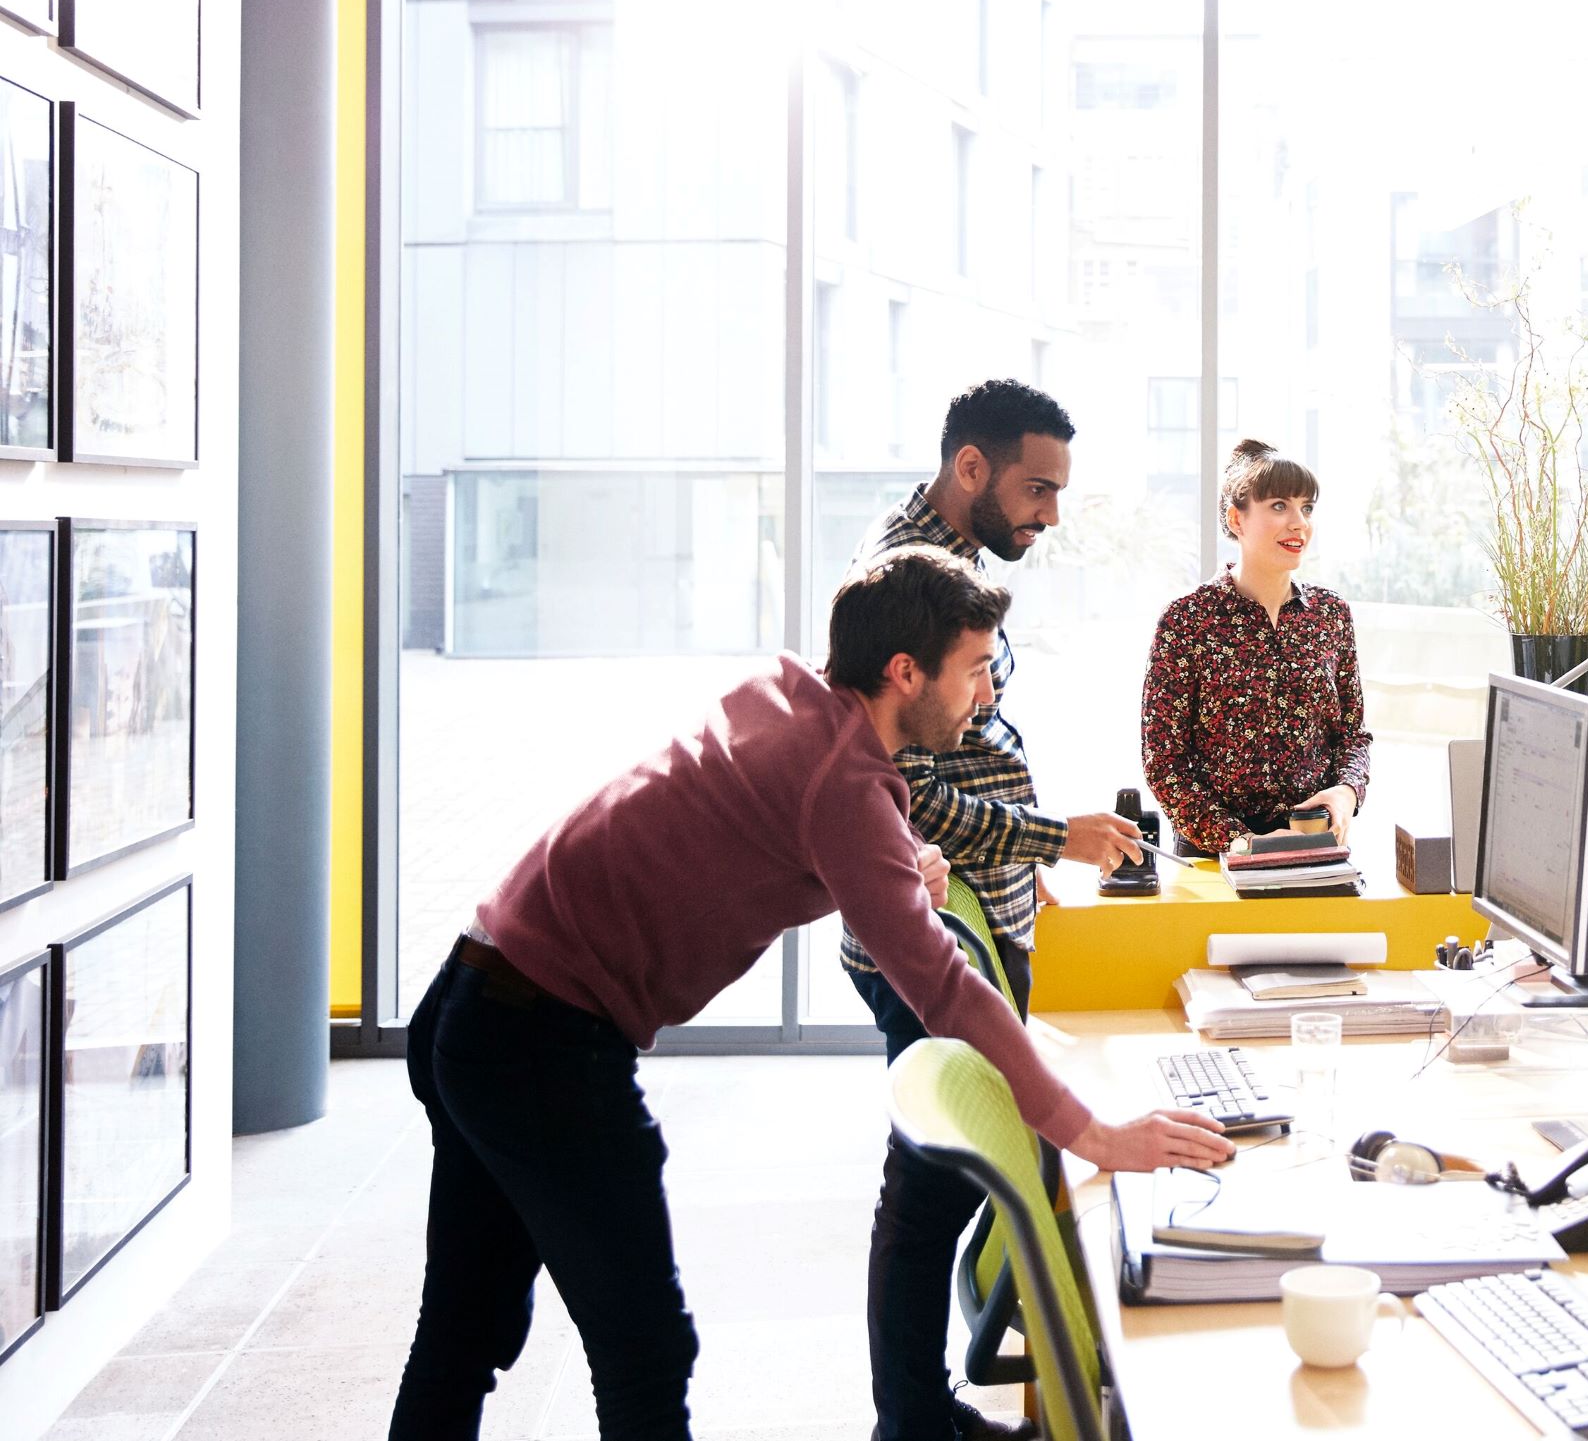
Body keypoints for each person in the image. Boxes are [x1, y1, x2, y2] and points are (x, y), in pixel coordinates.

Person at [387, 546, 1230, 1441]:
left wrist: (889, 864)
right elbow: (945, 986)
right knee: (644, 1350)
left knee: (463, 1327)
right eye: (976, 669)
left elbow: (766, 821)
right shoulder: (847, 786)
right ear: (906, 672)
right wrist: (1091, 1132)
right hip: (541, 1038)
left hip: (475, 991)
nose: (986, 695)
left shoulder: (794, 697)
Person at [839, 378, 1146, 1441]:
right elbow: (905, 784)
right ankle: (912, 1420)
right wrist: (1044, 834)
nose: (1049, 515)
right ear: (969, 468)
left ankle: (920, 1410)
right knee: (926, 1185)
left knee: (942, 1178)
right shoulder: (905, 577)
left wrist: (1029, 858)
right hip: (922, 918)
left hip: (980, 903)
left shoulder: (953, 564)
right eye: (1035, 489)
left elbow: (970, 748)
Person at [1141, 439, 1373, 855]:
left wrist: (1346, 792)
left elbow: (1352, 735)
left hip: (1314, 841)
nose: (1299, 522)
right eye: (1279, 506)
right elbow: (1164, 762)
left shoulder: (1331, 613)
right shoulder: (1187, 620)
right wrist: (1244, 843)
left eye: (1307, 507)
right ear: (1237, 519)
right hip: (1216, 851)